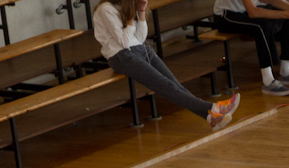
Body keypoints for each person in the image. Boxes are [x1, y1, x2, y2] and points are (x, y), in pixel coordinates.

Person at [95, 0, 240, 128]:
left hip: (142, 50)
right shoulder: (105, 9)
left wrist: (141, 12)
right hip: (122, 56)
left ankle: (210, 117)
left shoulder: (124, 7)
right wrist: (130, 18)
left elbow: (140, 38)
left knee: (174, 84)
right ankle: (214, 108)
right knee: (167, 86)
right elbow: (125, 42)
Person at [212, 0, 289, 94]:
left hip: (244, 11)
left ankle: (286, 71)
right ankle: (268, 81)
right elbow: (253, 12)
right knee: (262, 26)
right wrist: (288, 13)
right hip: (226, 16)